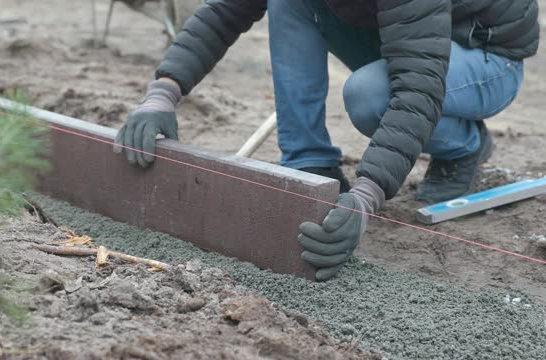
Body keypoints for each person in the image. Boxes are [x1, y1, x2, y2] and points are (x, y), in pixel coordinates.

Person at [115, 0, 539, 281]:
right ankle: (309, 163)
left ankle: (464, 146)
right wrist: (162, 94)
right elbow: (223, 12)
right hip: (393, 28)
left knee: (371, 96)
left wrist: (368, 195)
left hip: (485, 52)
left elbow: (417, 85)